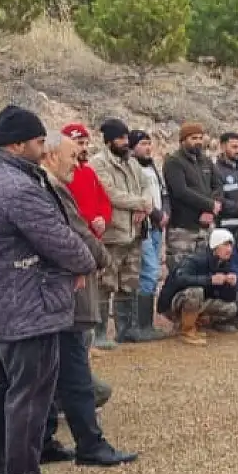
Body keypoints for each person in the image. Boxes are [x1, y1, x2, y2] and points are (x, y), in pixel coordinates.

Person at [0, 105, 97, 474]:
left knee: (5, 387)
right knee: (31, 394)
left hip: (1, 302)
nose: (45, 150)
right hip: (28, 305)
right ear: (18, 143)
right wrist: (84, 262)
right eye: (41, 142)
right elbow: (61, 241)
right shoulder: (18, 188)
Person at [27, 131, 137, 474]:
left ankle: (44, 440)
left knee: (55, 369)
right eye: (72, 155)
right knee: (73, 370)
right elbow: (79, 235)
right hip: (66, 292)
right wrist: (100, 259)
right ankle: (90, 444)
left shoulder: (42, 186)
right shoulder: (53, 189)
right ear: (50, 155)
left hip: (57, 290)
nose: (78, 162)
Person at [91, 119, 163, 346]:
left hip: (134, 233)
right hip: (113, 234)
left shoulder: (132, 162)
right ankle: (100, 334)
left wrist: (144, 205)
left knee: (129, 283)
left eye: (126, 137)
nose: (125, 142)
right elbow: (110, 193)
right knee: (105, 285)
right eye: (120, 138)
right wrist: (141, 204)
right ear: (109, 140)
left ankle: (127, 330)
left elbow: (146, 187)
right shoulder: (99, 163)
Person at [157, 229, 238, 345]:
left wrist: (231, 285)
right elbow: (180, 279)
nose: (229, 249)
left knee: (231, 307)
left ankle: (194, 323)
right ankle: (186, 331)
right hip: (173, 304)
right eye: (225, 245)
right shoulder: (194, 259)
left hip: (198, 303)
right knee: (196, 291)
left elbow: (229, 298)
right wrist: (210, 280)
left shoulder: (224, 264)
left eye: (231, 246)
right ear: (215, 246)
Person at [130, 130, 172, 340]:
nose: (148, 147)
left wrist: (165, 213)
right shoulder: (132, 167)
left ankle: (146, 324)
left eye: (149, 143)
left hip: (157, 228)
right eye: (143, 143)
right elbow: (139, 197)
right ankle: (141, 325)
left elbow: (163, 193)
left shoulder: (153, 166)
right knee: (150, 272)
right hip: (144, 227)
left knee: (151, 272)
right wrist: (156, 214)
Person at [163, 121, 220, 268]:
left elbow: (218, 186)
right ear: (183, 140)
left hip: (205, 227)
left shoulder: (206, 161)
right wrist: (209, 205)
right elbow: (181, 191)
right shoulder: (173, 162)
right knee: (183, 275)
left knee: (203, 275)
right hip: (183, 229)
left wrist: (211, 210)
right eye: (193, 138)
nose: (198, 142)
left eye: (200, 138)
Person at [59, 123, 113, 240]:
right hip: (74, 237)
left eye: (86, 143)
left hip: (94, 238)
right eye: (79, 143)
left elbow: (104, 201)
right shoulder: (61, 174)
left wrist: (102, 218)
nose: (84, 148)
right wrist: (90, 220)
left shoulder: (89, 172)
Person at [213, 131, 238, 232]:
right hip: (225, 226)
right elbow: (217, 199)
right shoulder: (215, 169)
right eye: (234, 147)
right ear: (223, 147)